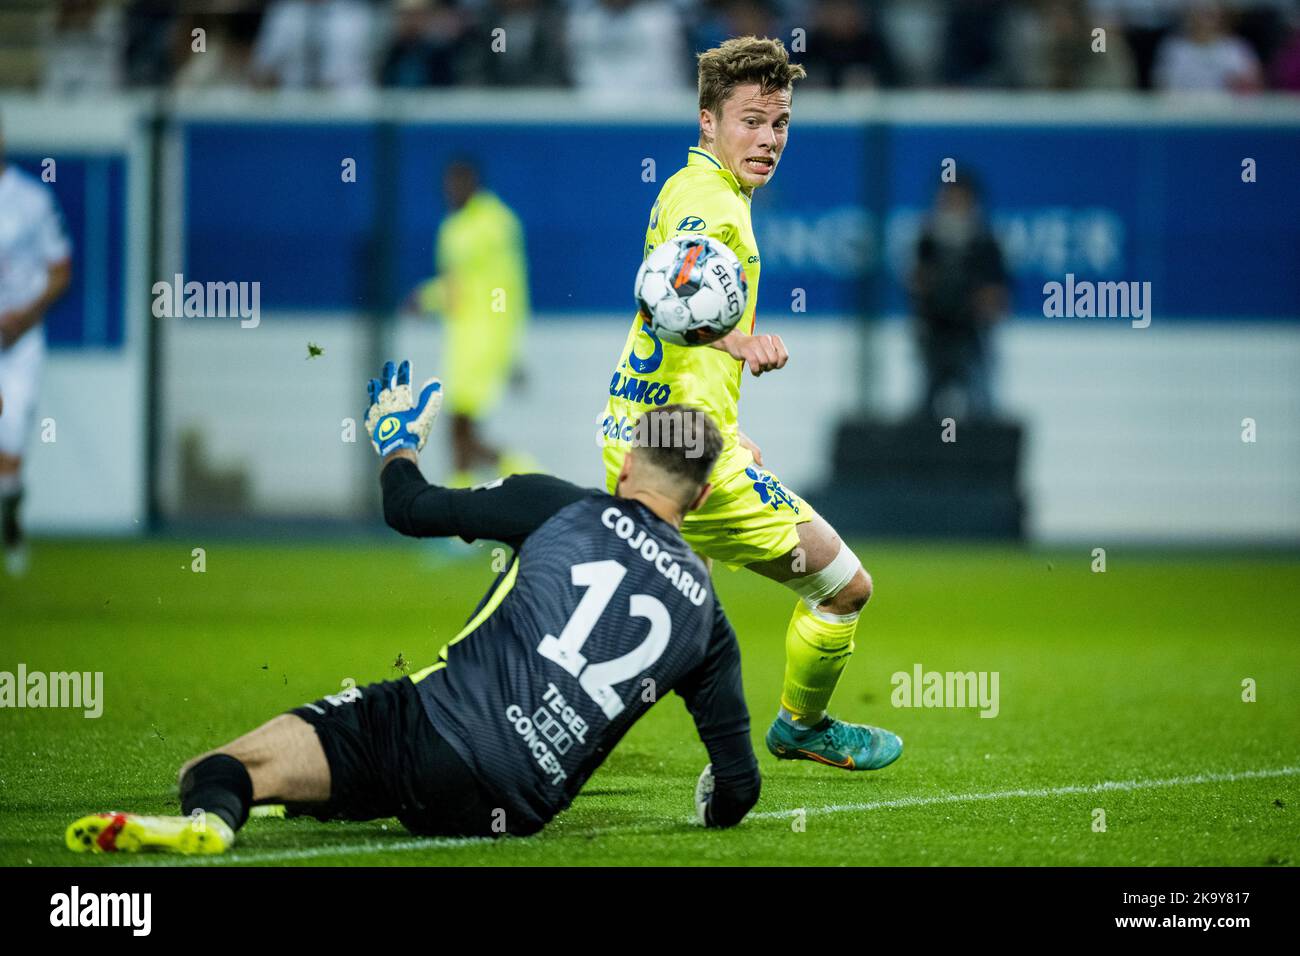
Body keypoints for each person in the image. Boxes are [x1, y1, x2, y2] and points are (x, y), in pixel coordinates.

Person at [65, 363, 760, 854]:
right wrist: (715, 805)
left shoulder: (561, 505)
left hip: (425, 736)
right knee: (350, 783)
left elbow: (408, 507)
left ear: (627, 466)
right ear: (699, 500)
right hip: (513, 810)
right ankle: (306, 794)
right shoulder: (707, 621)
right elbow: (738, 784)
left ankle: (214, 821)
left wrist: (397, 442)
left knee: (216, 769)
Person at [600, 36, 903, 774]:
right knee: (844, 587)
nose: (768, 140)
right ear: (708, 121)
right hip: (678, 448)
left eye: (781, 123)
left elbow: (664, 290)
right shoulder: (714, 208)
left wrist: (729, 429)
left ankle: (508, 725)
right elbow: (668, 285)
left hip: (646, 430)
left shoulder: (686, 185)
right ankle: (801, 726)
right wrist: (733, 337)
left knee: (658, 618)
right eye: (750, 121)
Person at [410, 157, 536, 486]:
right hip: (485, 339)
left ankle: (529, 477)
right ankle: (463, 506)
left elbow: (457, 289)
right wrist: (512, 351)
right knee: (460, 430)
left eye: (455, 184)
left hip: (475, 342)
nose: (450, 192)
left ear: (471, 183)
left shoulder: (460, 230)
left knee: (458, 428)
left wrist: (423, 299)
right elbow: (512, 287)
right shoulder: (502, 221)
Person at [0, 118, 74, 577]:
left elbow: (60, 269)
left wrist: (24, 316)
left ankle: (9, 522)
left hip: (20, 340)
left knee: (11, 438)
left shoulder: (30, 199)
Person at [909, 176, 1009, 421]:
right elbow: (917, 286)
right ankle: (925, 454)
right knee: (927, 405)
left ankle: (985, 454)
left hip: (971, 337)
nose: (952, 207)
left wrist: (979, 303)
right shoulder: (928, 243)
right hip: (935, 335)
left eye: (959, 200)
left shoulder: (986, 246)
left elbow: (997, 298)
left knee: (980, 405)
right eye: (947, 200)